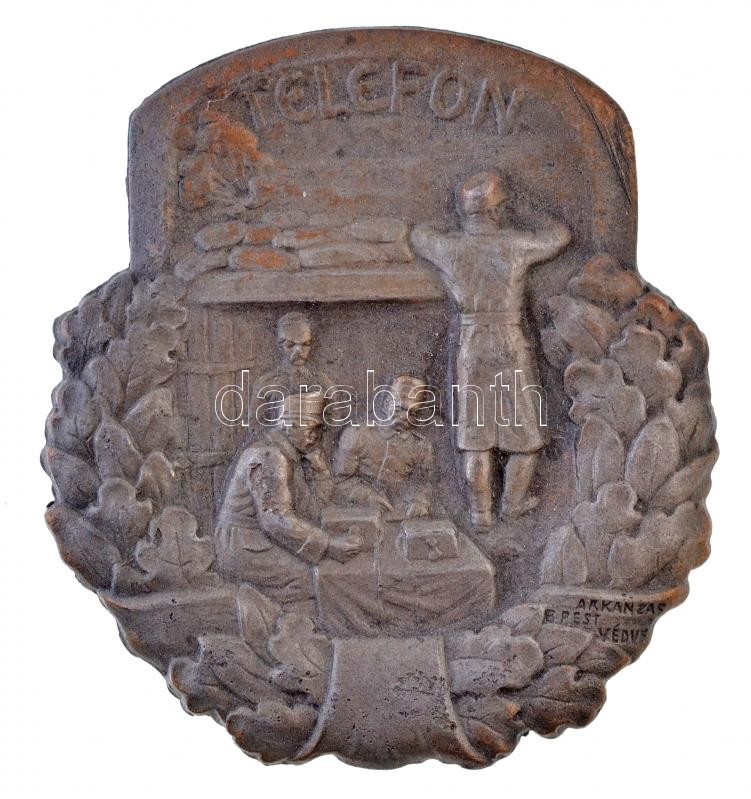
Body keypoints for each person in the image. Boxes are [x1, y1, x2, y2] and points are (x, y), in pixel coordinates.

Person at [410, 171, 570, 529]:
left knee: (476, 438)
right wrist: (530, 212)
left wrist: (453, 222)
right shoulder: (515, 244)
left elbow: (419, 235)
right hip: (508, 342)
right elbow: (560, 236)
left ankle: (479, 513)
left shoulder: (450, 248)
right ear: (497, 210)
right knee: (525, 437)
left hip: (472, 346)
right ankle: (512, 506)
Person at [215, 390, 362, 610]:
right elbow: (275, 520)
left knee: (326, 575)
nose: (316, 437)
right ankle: (271, 619)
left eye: (319, 430)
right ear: (290, 426)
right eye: (312, 429)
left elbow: (311, 511)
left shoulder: (292, 455)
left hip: (264, 538)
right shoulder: (269, 456)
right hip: (244, 545)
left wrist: (320, 471)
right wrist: (328, 545)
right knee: (313, 579)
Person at [333, 374, 438, 520]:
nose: (405, 417)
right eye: (399, 408)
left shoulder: (421, 447)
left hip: (402, 517)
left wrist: (420, 500)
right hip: (360, 515)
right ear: (386, 403)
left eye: (412, 413)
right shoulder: (357, 435)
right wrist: (367, 496)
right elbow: (339, 481)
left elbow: (426, 484)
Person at [252, 311, 332, 426]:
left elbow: (335, 423)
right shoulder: (265, 384)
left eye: (305, 344)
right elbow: (255, 428)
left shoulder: (322, 381)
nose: (298, 350)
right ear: (280, 346)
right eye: (290, 345)